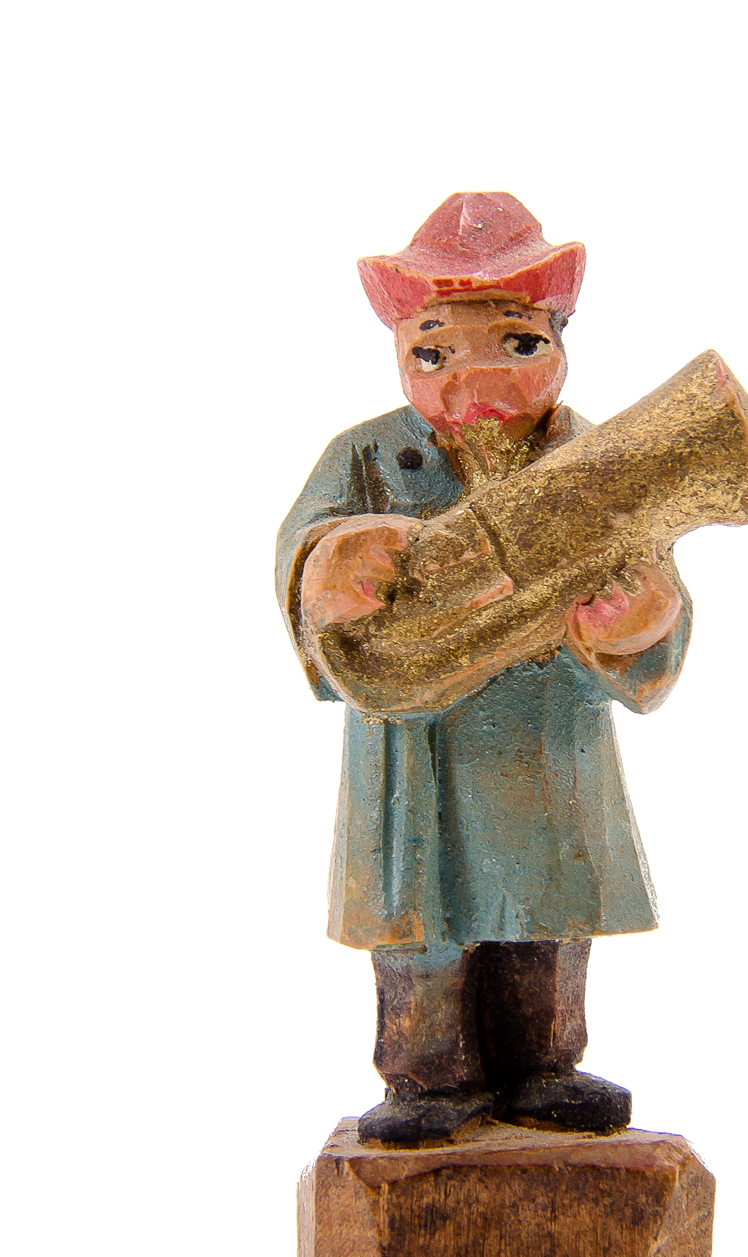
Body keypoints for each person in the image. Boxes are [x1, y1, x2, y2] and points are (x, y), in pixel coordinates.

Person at [276, 193, 692, 1144]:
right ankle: (427, 1075)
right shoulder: (366, 457)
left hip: (544, 736)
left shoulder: (594, 461)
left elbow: (656, 580)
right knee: (421, 914)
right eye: (434, 353)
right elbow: (300, 550)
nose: (474, 379)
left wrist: (638, 623)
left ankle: (544, 1061)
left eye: (515, 344)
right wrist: (328, 567)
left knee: (543, 902)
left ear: (559, 339)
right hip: (413, 747)